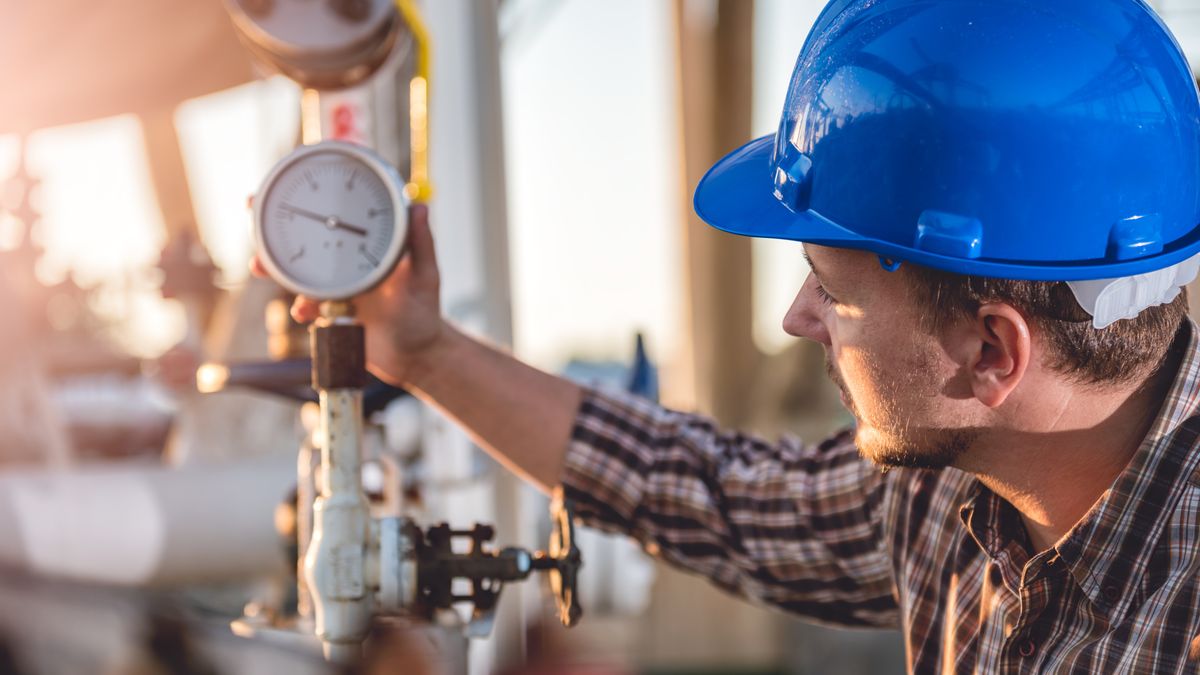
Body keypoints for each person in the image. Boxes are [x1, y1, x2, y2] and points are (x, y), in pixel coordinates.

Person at [260, 0, 1200, 671]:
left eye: (831, 290)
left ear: (994, 352)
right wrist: (422, 350)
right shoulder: (955, 492)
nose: (797, 319)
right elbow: (709, 492)